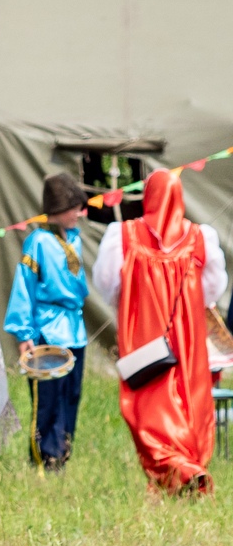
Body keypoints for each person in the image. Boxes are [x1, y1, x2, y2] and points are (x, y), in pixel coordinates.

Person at [93, 168, 227, 494]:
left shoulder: (122, 237)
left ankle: (173, 472)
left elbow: (108, 286)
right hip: (189, 336)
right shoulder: (200, 238)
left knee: (147, 402)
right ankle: (188, 469)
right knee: (190, 398)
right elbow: (213, 289)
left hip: (142, 332)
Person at [4, 174, 93, 470]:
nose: (79, 213)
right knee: (48, 399)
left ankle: (64, 453)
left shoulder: (75, 238)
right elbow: (23, 285)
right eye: (73, 208)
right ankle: (44, 458)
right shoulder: (38, 241)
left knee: (72, 394)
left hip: (74, 329)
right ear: (58, 208)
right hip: (47, 329)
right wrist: (23, 331)